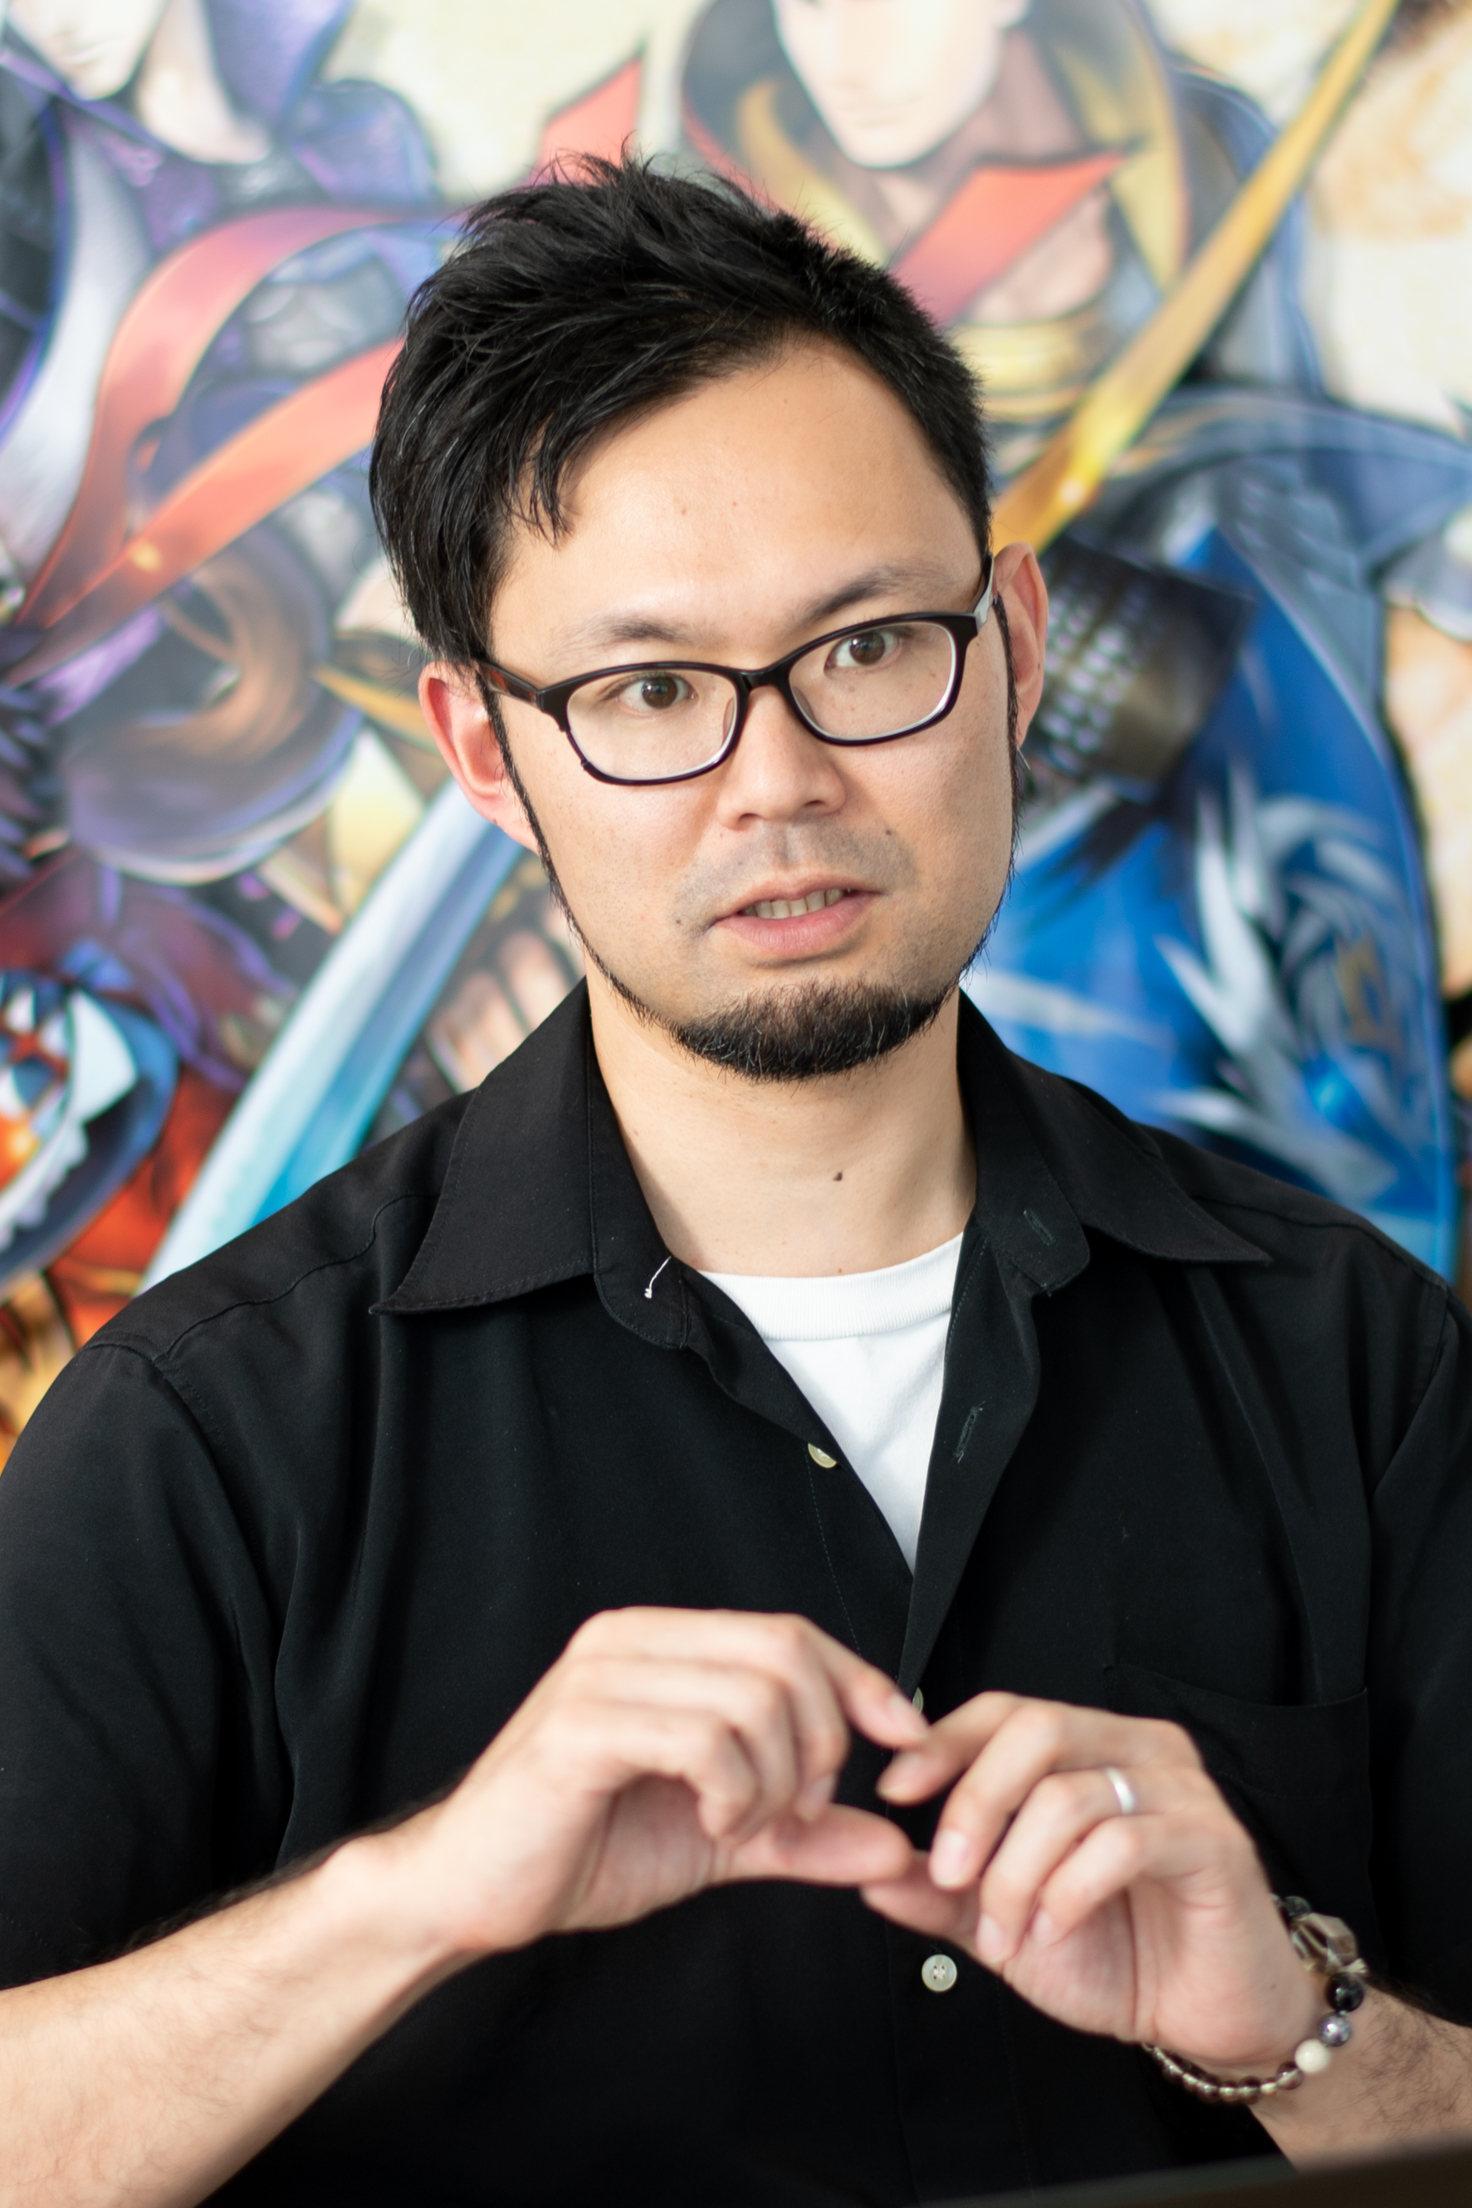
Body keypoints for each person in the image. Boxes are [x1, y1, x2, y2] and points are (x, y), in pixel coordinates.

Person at [0, 156, 1470, 2208]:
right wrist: (408, 1901)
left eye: (866, 649)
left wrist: (1297, 2022)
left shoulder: (1355, 1356)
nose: (777, 783)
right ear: (486, 752)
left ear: (1013, 646)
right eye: (649, 694)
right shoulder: (204, 1436)